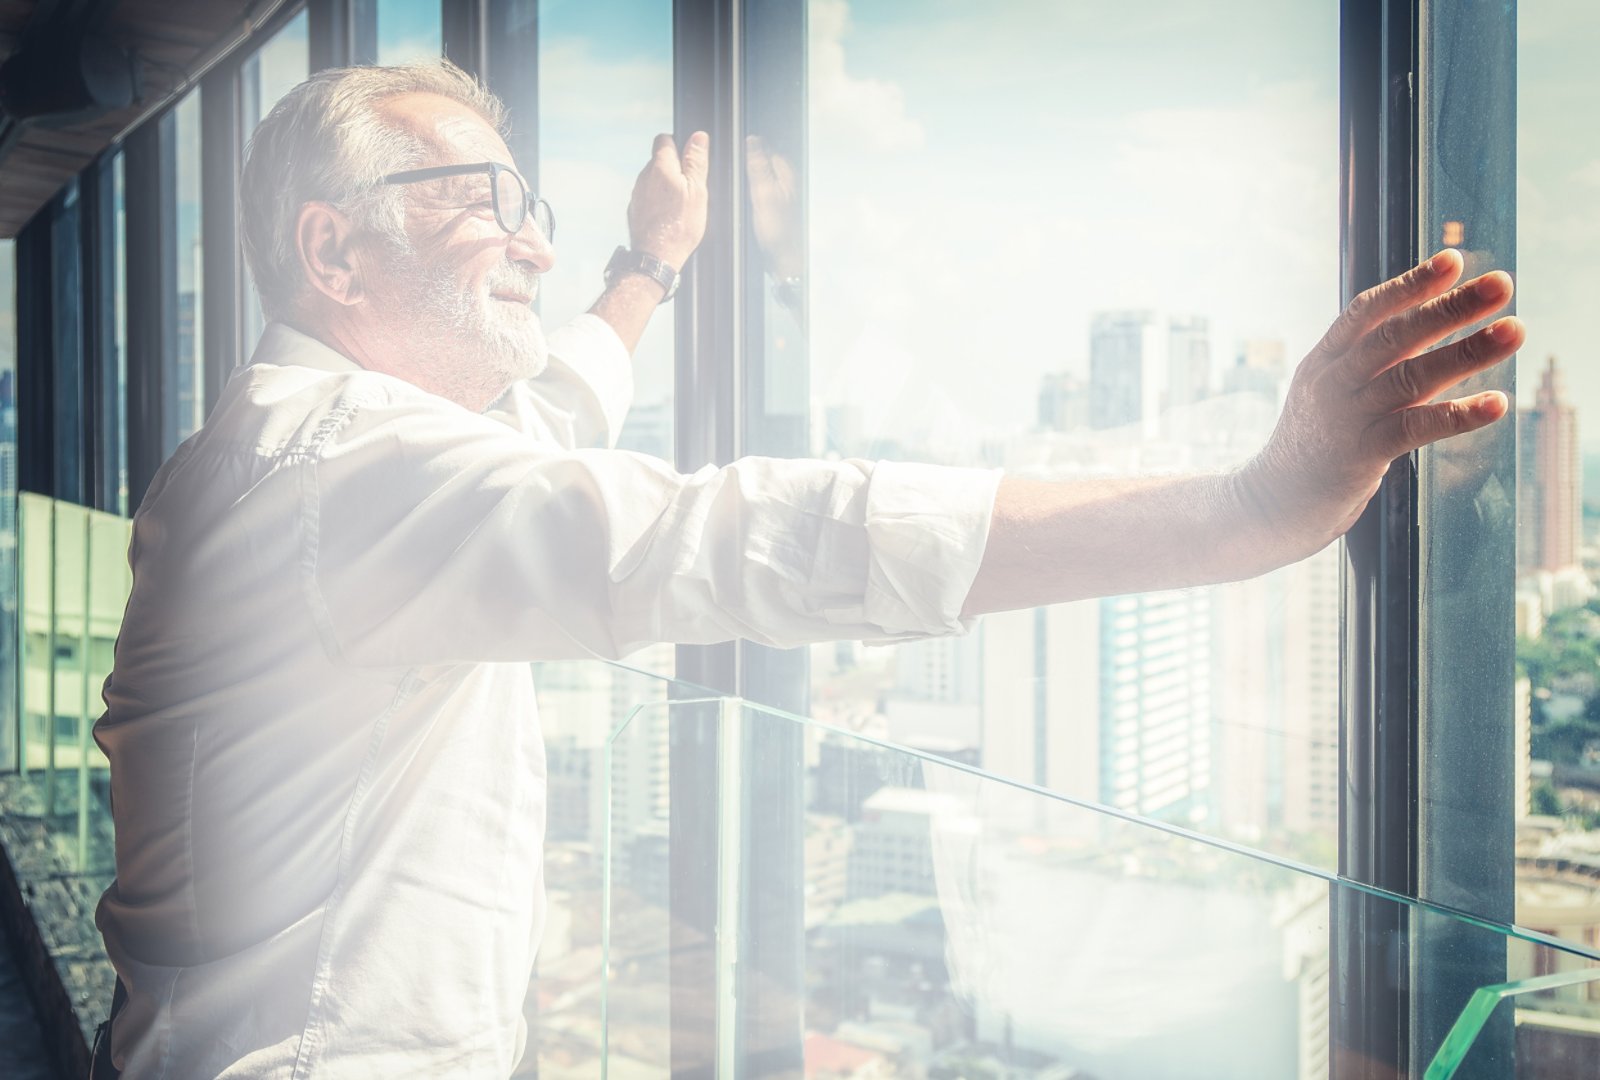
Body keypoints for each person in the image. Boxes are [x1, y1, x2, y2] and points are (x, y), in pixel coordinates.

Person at [90, 60, 1522, 1078]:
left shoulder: (290, 458)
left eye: (533, 203)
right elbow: (722, 530)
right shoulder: (342, 477)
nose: (529, 238)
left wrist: (644, 263)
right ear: (331, 250)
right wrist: (1249, 508)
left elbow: (557, 409)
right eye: (482, 198)